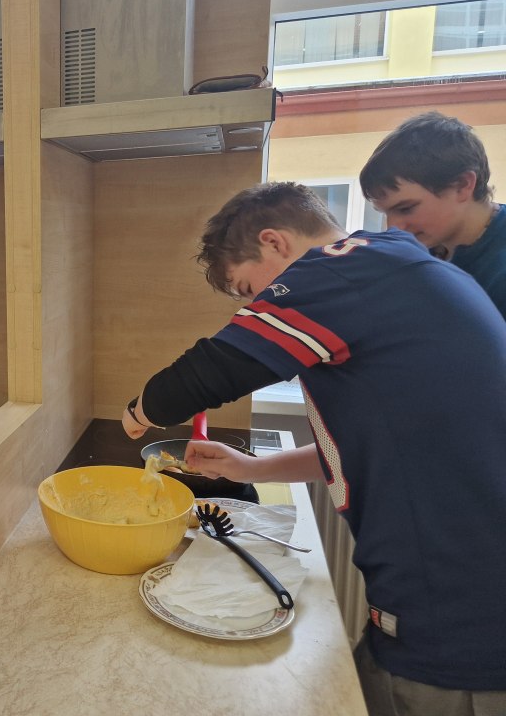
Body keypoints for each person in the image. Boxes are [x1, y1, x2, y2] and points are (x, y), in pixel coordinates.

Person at [122, 182, 506, 716]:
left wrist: (136, 414)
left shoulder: (336, 270)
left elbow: (206, 373)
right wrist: (251, 467)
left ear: (275, 242)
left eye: (249, 289)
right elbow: (380, 442)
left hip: (456, 616)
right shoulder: (393, 262)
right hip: (454, 596)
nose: (257, 308)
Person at [360, 111, 505, 316]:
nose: (393, 227)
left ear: (462, 185)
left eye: (406, 208)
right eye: (385, 213)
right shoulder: (424, 248)